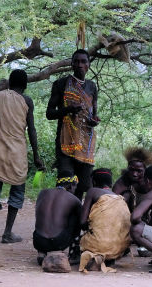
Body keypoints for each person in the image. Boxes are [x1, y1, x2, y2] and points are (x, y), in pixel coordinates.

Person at [0, 69, 45, 246]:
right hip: (17, 153)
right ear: (25, 85)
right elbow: (31, 129)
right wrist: (37, 155)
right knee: (17, 191)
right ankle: (7, 233)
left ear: (8, 83)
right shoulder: (26, 101)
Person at [46, 49, 100, 199]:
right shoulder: (61, 83)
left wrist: (94, 121)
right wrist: (68, 109)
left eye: (83, 61)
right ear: (71, 64)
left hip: (86, 144)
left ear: (89, 64)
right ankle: (60, 218)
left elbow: (93, 115)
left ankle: (75, 219)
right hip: (65, 142)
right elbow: (49, 113)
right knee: (66, 183)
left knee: (82, 187)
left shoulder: (92, 87)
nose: (80, 64)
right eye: (76, 61)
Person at [79, 168, 131, 271]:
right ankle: (109, 259)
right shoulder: (119, 198)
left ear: (93, 181)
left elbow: (82, 222)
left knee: (86, 237)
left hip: (98, 245)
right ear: (110, 183)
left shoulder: (92, 191)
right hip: (120, 248)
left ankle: (96, 256)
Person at [33, 172, 82, 266]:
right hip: (58, 242)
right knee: (75, 215)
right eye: (75, 187)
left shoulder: (42, 193)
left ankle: (42, 252)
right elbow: (82, 222)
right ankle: (74, 253)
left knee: (46, 216)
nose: (75, 189)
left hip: (38, 240)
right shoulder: (73, 199)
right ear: (71, 186)